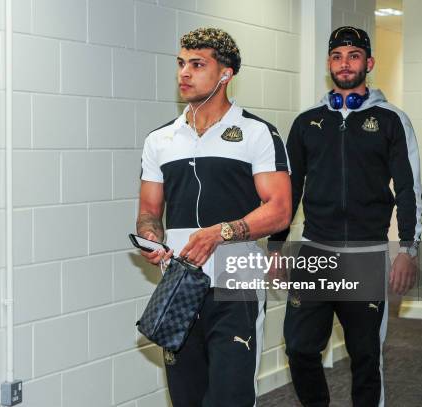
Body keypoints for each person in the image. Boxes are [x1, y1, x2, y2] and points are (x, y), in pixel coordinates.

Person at [268, 26, 422, 407]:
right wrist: (276, 246)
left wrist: (408, 249)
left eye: (353, 56)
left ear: (368, 63)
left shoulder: (391, 121)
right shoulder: (307, 123)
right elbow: (288, 192)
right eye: (337, 56)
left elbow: (409, 189)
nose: (345, 63)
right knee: (301, 350)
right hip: (315, 252)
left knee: (366, 357)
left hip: (366, 255)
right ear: (329, 64)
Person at [137, 27, 292, 407]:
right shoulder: (159, 140)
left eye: (196, 64)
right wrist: (150, 239)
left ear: (225, 74)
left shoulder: (258, 133)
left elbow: (279, 209)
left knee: (229, 398)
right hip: (179, 284)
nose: (183, 73)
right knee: (187, 397)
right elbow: (149, 212)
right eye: (180, 63)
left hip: (236, 279)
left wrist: (220, 233)